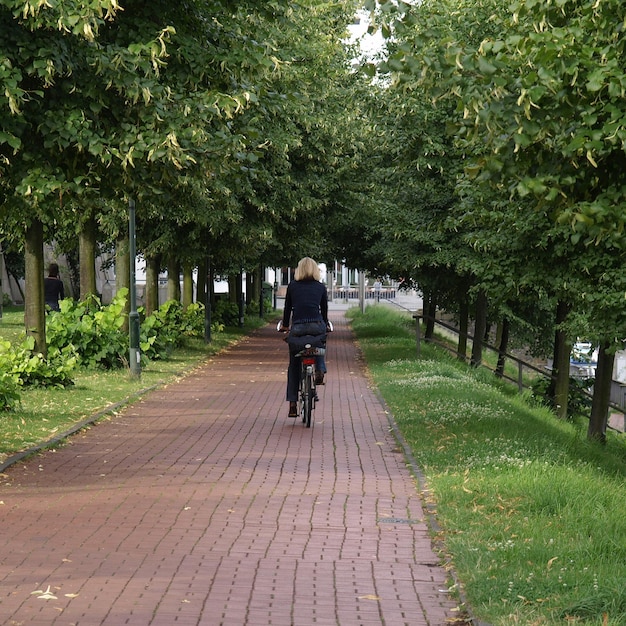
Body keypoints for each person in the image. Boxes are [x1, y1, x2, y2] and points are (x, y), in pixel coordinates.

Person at [281, 257, 329, 417]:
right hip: (316, 324)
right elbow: (324, 309)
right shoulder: (320, 287)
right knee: (320, 343)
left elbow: (287, 308)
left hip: (298, 327)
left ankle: (293, 403)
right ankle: (320, 370)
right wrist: (326, 324)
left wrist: (285, 326)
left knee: (294, 364)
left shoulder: (293, 286)